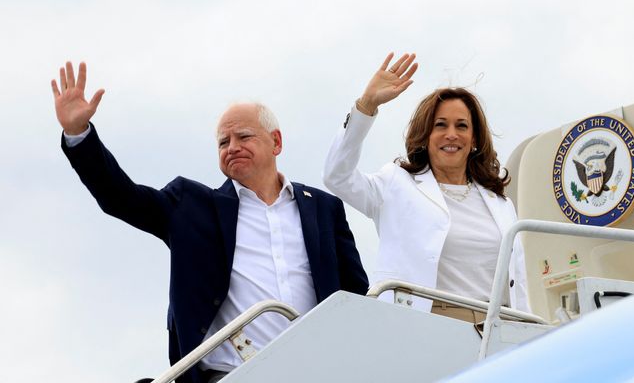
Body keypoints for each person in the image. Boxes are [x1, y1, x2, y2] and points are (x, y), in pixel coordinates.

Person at [51, 61, 369, 383]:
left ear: (276, 142)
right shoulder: (190, 205)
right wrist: (80, 135)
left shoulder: (324, 208)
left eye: (243, 136)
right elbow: (120, 196)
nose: (232, 147)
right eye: (222, 142)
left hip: (318, 372)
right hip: (233, 373)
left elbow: (357, 294)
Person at [324, 53, 529, 324]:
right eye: (440, 125)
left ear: (475, 138)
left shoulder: (500, 203)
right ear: (425, 135)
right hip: (428, 324)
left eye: (462, 126)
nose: (451, 135)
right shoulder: (396, 184)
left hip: (497, 325)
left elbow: (519, 281)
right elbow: (337, 176)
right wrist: (366, 106)